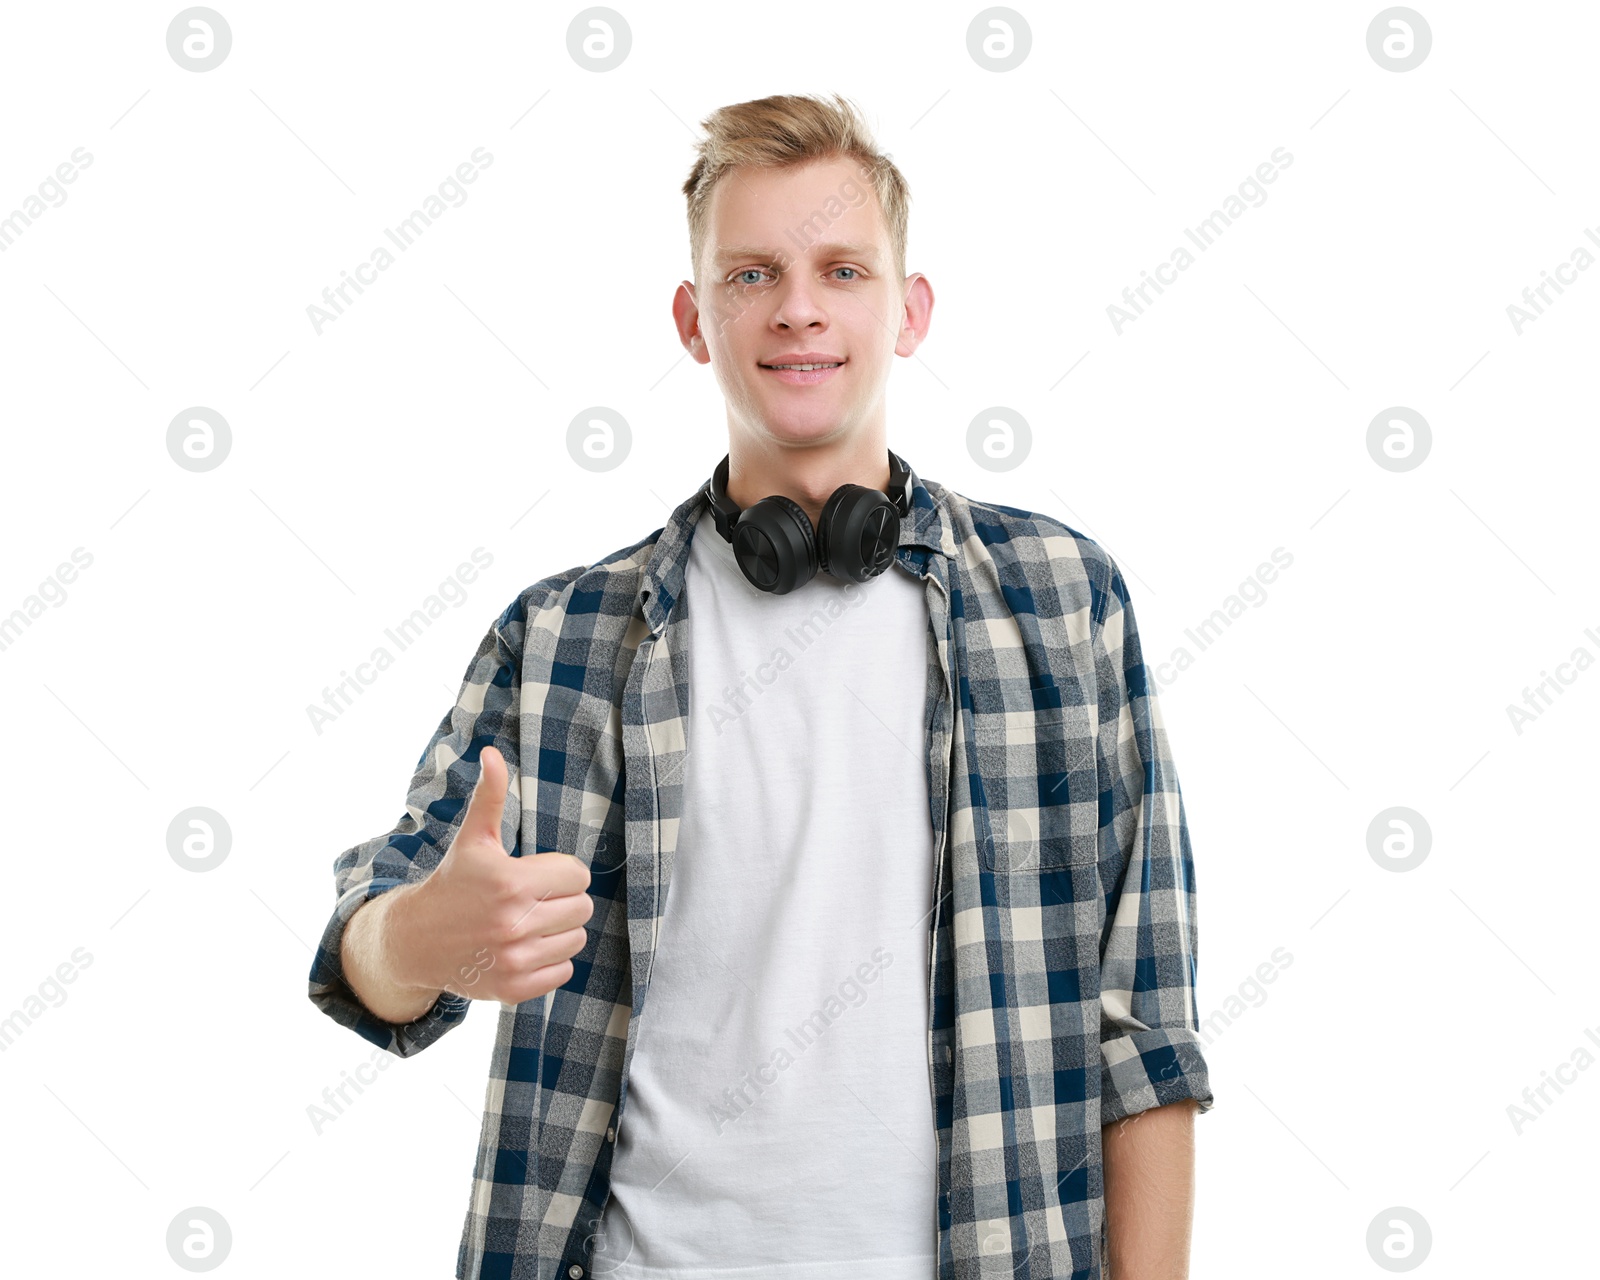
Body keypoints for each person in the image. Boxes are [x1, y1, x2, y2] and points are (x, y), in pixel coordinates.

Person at [308, 91, 1214, 1280]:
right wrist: (418, 934)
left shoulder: (1058, 599)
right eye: (750, 275)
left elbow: (1140, 1026)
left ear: (909, 310)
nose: (797, 307)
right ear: (693, 318)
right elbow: (364, 951)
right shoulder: (569, 634)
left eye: (842, 269)